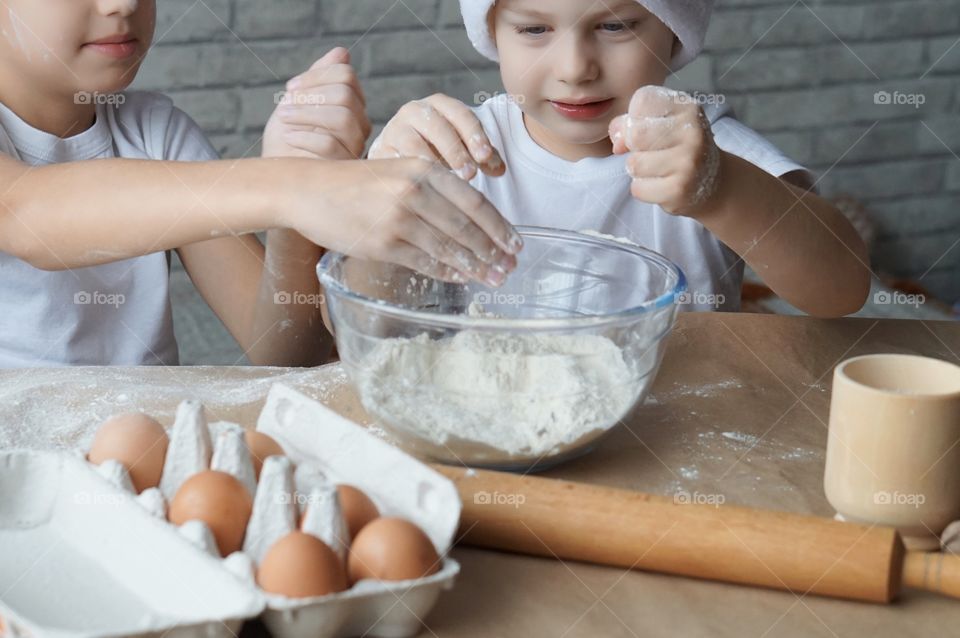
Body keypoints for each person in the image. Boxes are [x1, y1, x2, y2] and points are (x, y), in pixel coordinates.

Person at [0, 0, 521, 367]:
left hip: (137, 476)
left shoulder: (155, 131)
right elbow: (25, 215)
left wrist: (294, 215)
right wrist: (294, 187)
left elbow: (281, 352)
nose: (122, 4)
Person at [370, 0, 870, 316]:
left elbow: (841, 288)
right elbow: (373, 313)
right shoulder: (461, 148)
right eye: (533, 30)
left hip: (675, 429)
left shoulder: (706, 148)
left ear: (674, 35)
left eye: (614, 25)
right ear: (493, 34)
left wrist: (722, 190)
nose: (574, 69)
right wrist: (383, 191)